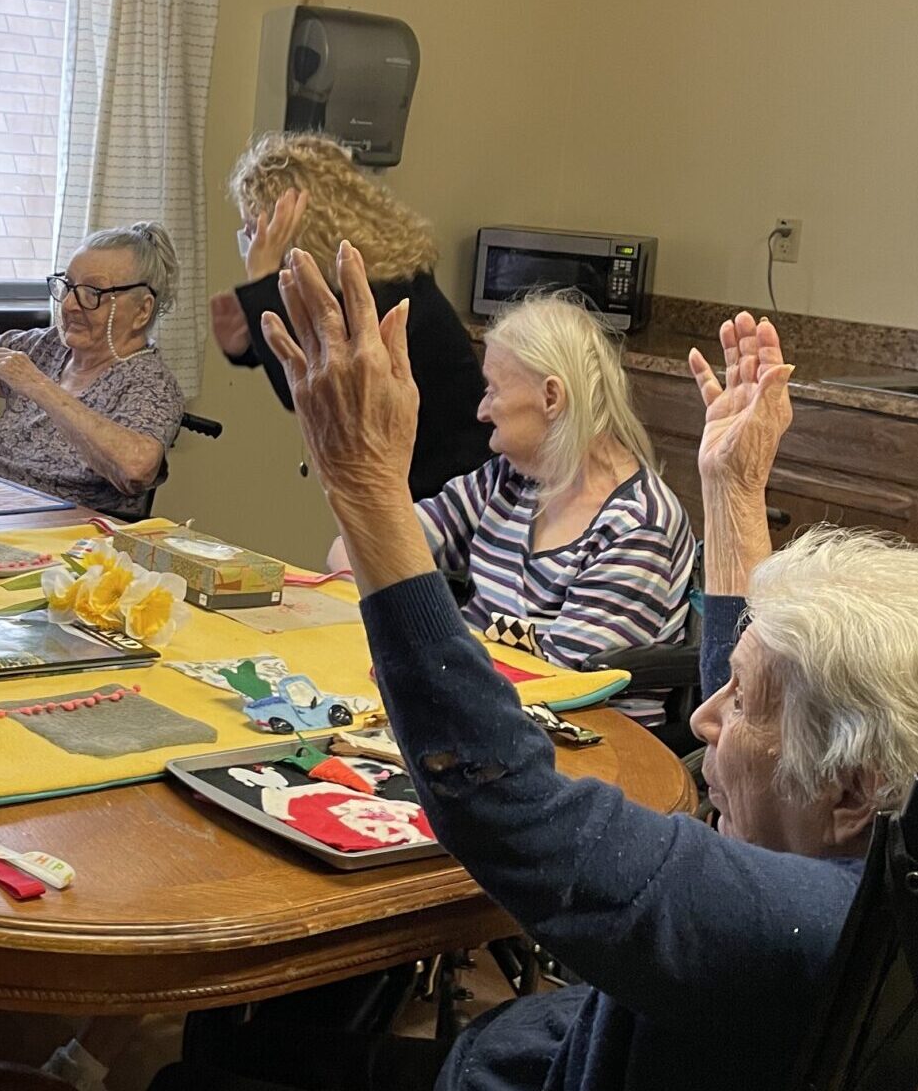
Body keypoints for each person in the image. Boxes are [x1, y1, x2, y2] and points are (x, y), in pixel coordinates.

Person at [253, 241, 918, 1090]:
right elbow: (761, 694)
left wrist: (364, 483)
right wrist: (732, 489)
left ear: (853, 790)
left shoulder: (791, 920)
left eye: (740, 704)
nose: (701, 716)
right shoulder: (859, 866)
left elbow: (508, 807)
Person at [327, 291, 695, 669]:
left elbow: (565, 682)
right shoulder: (508, 481)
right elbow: (360, 548)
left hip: (570, 721)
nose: (483, 411)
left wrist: (423, 643)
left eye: (494, 390)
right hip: (477, 696)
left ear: (551, 397)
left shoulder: (636, 528)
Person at [212, 131, 492, 499]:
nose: (252, 240)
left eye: (257, 228)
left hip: (444, 491)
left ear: (297, 226)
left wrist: (263, 277)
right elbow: (311, 333)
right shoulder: (387, 272)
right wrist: (247, 339)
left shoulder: (379, 292)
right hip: (421, 478)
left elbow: (320, 388)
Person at [0, 223, 186, 520]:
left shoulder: (150, 382)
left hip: (41, 528)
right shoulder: (51, 345)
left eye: (92, 293)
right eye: (68, 287)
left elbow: (135, 469)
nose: (70, 305)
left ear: (142, 310)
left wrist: (39, 385)